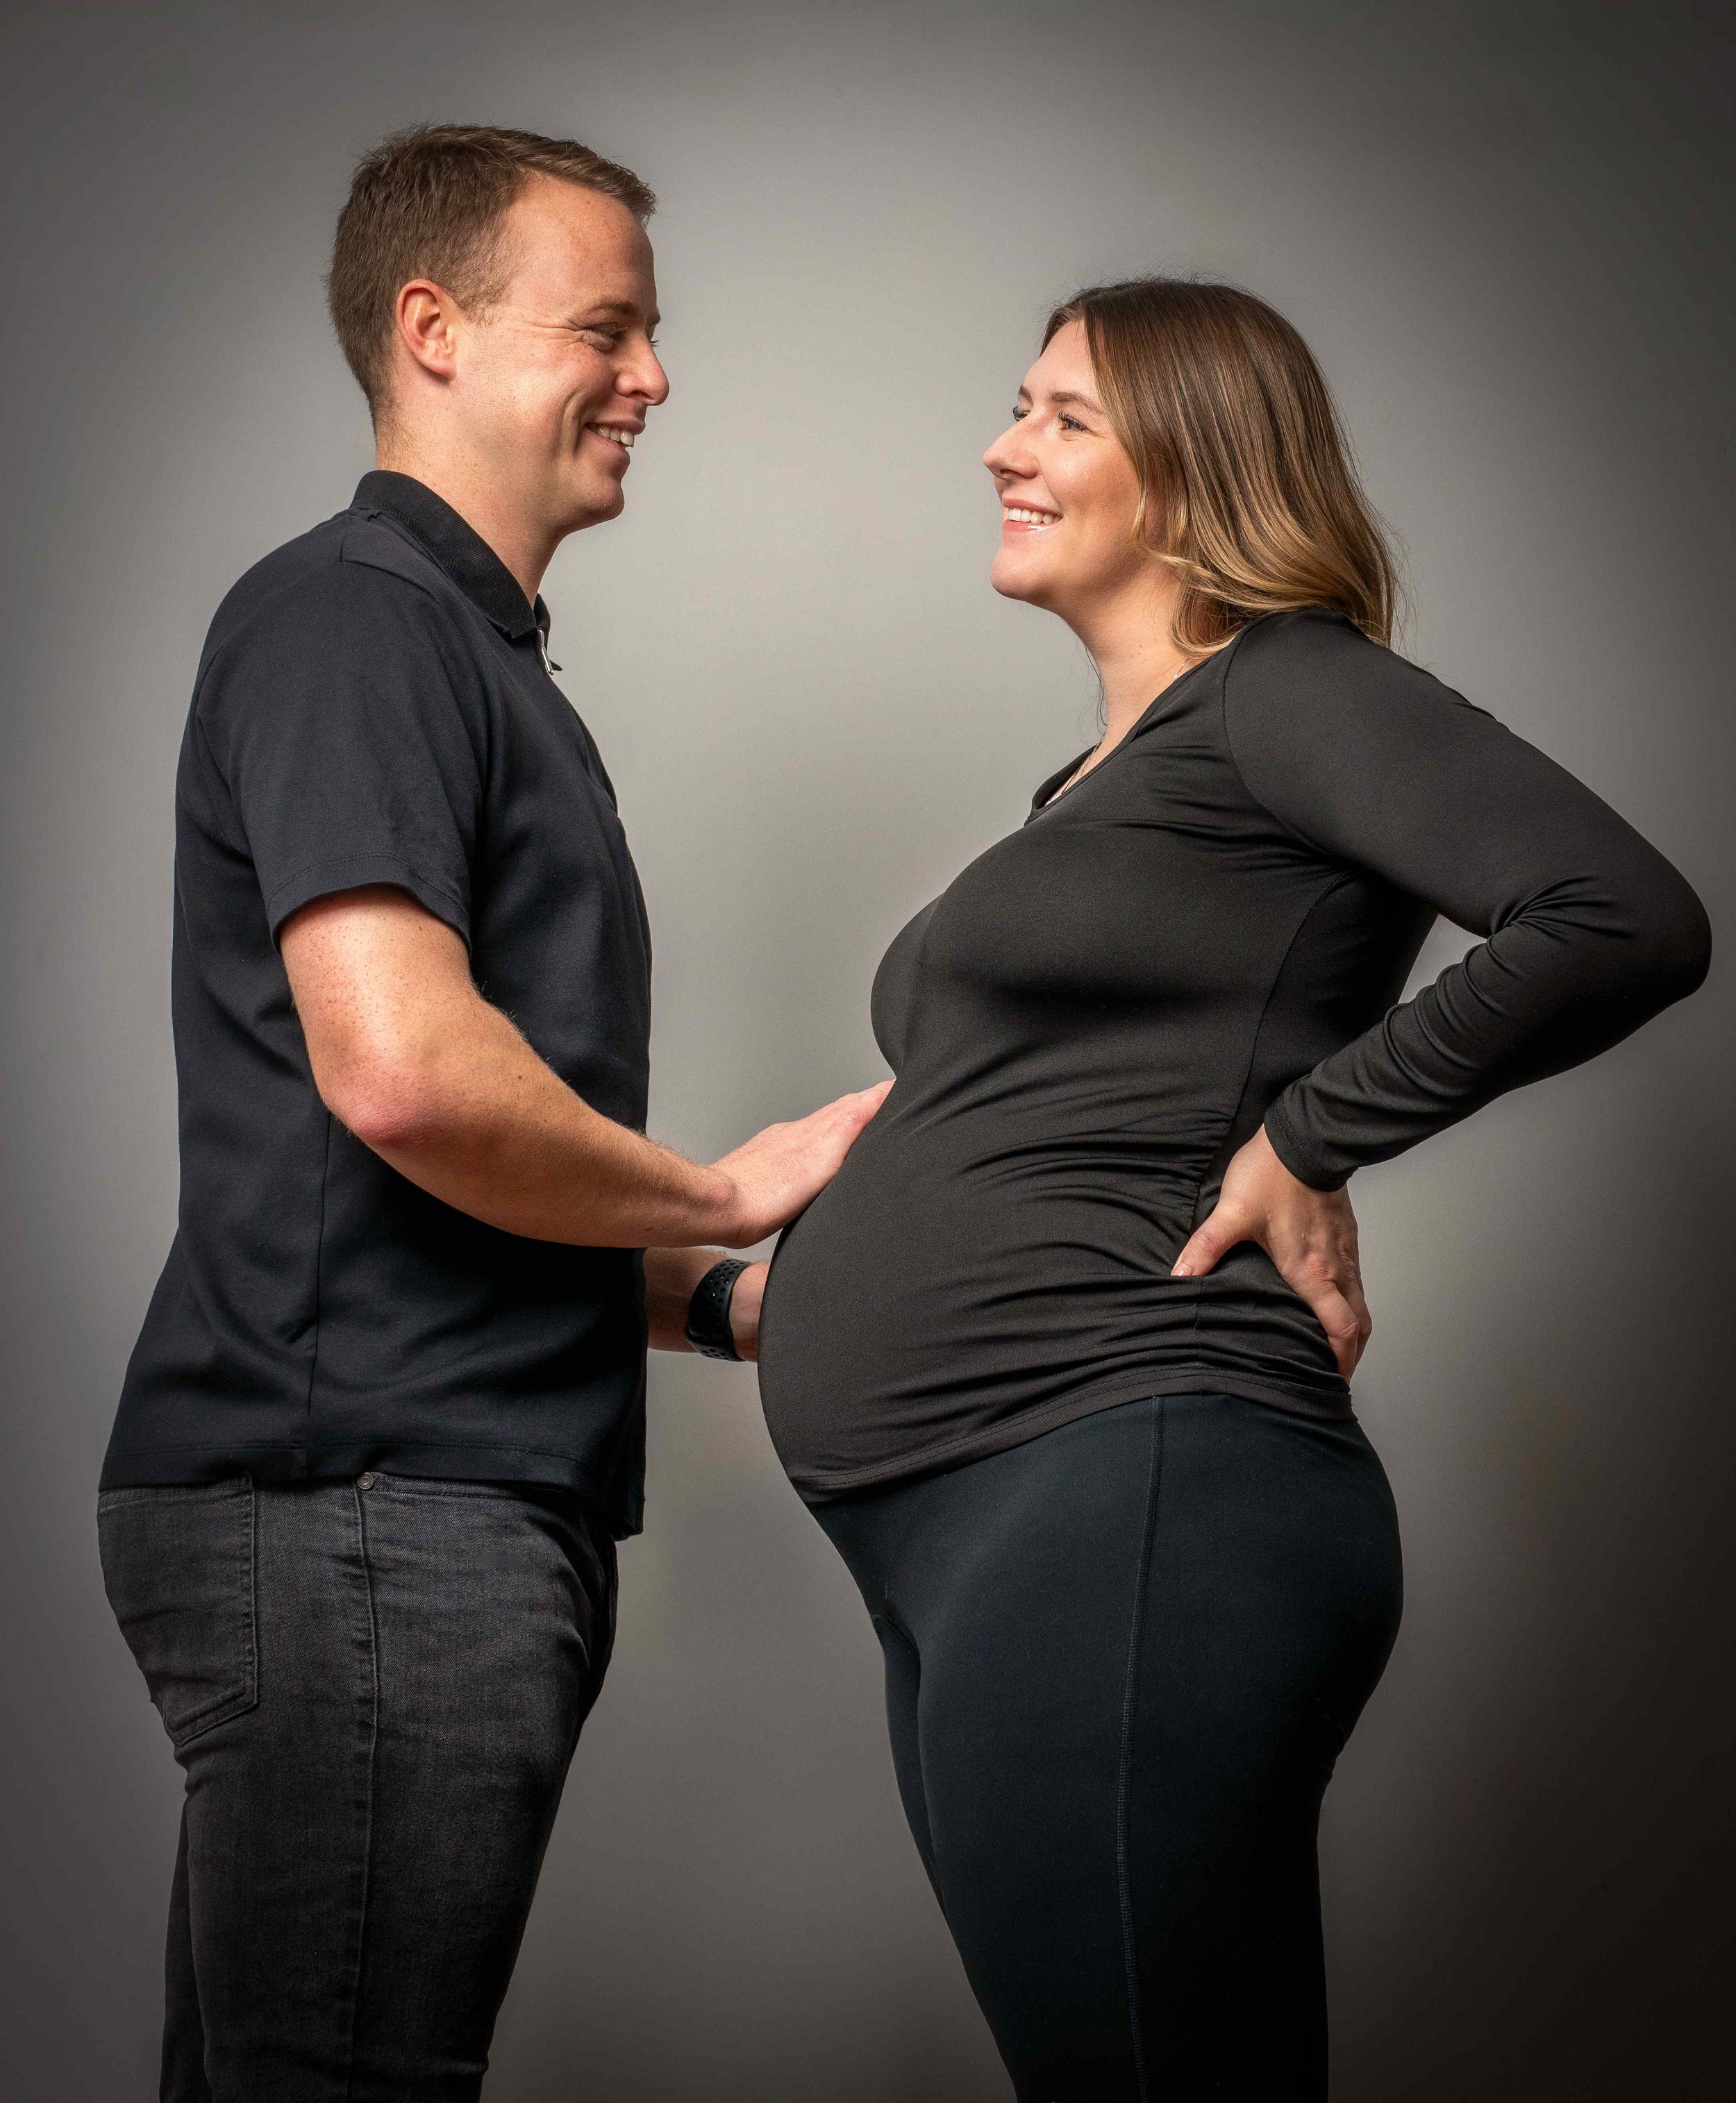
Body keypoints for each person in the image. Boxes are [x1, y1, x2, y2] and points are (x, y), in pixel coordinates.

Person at [744, 279, 1711, 2100]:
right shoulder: (1101, 781)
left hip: (1120, 1487)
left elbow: (1621, 917)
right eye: (1013, 405)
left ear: (1192, 473)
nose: (999, 447)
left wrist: (1308, 1136)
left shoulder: (1288, 690)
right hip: (962, 1523)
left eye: (1060, 419)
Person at [97, 123, 881, 2102]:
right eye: (605, 324)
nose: (655, 374)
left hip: (392, 1505)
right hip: (369, 1516)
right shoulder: (360, 619)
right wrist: (710, 1194)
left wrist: (707, 1305)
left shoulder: (469, 653)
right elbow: (404, 1077)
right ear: (431, 331)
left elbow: (398, 1177)